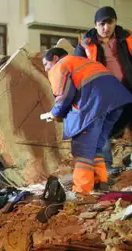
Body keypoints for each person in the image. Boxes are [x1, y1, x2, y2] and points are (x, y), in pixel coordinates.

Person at [43, 48, 132, 193]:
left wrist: (54, 113)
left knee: (83, 150)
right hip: (117, 104)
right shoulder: (84, 61)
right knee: (95, 147)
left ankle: (81, 191)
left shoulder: (61, 65)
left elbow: (63, 96)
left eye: (45, 64)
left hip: (94, 105)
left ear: (54, 58)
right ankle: (100, 182)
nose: (46, 69)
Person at [75, 6, 132, 166]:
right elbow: (76, 72)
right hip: (102, 96)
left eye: (110, 23)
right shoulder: (85, 45)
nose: (106, 28)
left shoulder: (126, 38)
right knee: (101, 129)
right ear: (95, 25)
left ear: (115, 22)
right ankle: (106, 167)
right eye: (102, 24)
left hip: (127, 89)